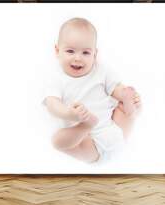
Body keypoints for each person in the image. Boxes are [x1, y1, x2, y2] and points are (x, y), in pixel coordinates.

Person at [43, 17, 141, 163]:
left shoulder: (101, 70)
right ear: (57, 51)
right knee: (58, 141)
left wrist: (125, 94)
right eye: (70, 51)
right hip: (90, 142)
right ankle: (87, 125)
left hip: (115, 129)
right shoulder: (57, 78)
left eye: (86, 53)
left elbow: (116, 89)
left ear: (95, 54)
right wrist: (69, 114)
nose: (78, 58)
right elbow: (52, 105)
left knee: (122, 106)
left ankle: (130, 111)